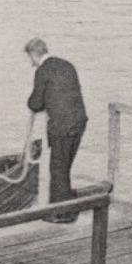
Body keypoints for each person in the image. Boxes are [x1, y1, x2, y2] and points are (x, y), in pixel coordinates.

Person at [25, 38, 88, 223]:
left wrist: (32, 102)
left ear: (34, 54)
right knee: (65, 166)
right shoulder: (67, 65)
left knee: (58, 168)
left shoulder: (42, 70)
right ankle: (66, 204)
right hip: (79, 122)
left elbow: (36, 103)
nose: (31, 63)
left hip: (61, 125)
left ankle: (63, 214)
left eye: (30, 58)